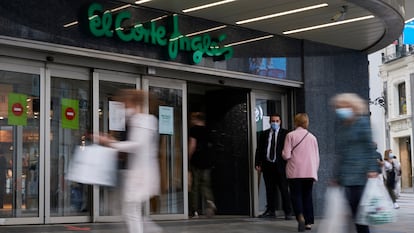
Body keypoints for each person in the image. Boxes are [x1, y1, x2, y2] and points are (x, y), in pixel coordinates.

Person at [97, 89, 161, 233]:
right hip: (138, 172)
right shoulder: (139, 120)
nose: (122, 108)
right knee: (131, 211)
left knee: (131, 211)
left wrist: (110, 144)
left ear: (131, 103)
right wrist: (111, 142)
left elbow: (136, 145)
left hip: (140, 174)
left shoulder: (143, 120)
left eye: (124, 104)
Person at [330, 93, 379, 233]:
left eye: (342, 106)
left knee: (360, 216)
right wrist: (337, 177)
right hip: (347, 177)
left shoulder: (362, 123)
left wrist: (372, 169)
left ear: (352, 106)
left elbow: (370, 148)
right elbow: (342, 153)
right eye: (338, 107)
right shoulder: (342, 126)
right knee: (353, 214)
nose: (339, 110)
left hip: (361, 176)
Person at [282, 113, 319, 232]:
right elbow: (316, 157)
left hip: (295, 172)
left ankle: (300, 217)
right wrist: (315, 172)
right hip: (309, 172)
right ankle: (308, 223)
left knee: (296, 195)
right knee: (307, 196)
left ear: (296, 122)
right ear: (306, 122)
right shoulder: (313, 137)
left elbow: (286, 155)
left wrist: (283, 154)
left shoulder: (290, 135)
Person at [255, 114, 292, 219]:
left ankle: (288, 212)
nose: (274, 123)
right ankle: (271, 210)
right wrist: (257, 163)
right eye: (272, 121)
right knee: (269, 190)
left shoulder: (286, 134)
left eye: (276, 121)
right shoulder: (264, 134)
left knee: (284, 189)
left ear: (280, 122)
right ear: (269, 122)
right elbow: (259, 149)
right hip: (268, 166)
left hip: (281, 166)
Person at [188, 112, 216, 218]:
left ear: (196, 119)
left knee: (195, 186)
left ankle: (194, 210)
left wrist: (188, 157)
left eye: (192, 119)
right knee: (206, 185)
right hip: (207, 162)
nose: (191, 121)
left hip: (197, 161)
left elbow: (193, 145)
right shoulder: (208, 130)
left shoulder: (194, 129)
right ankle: (210, 202)